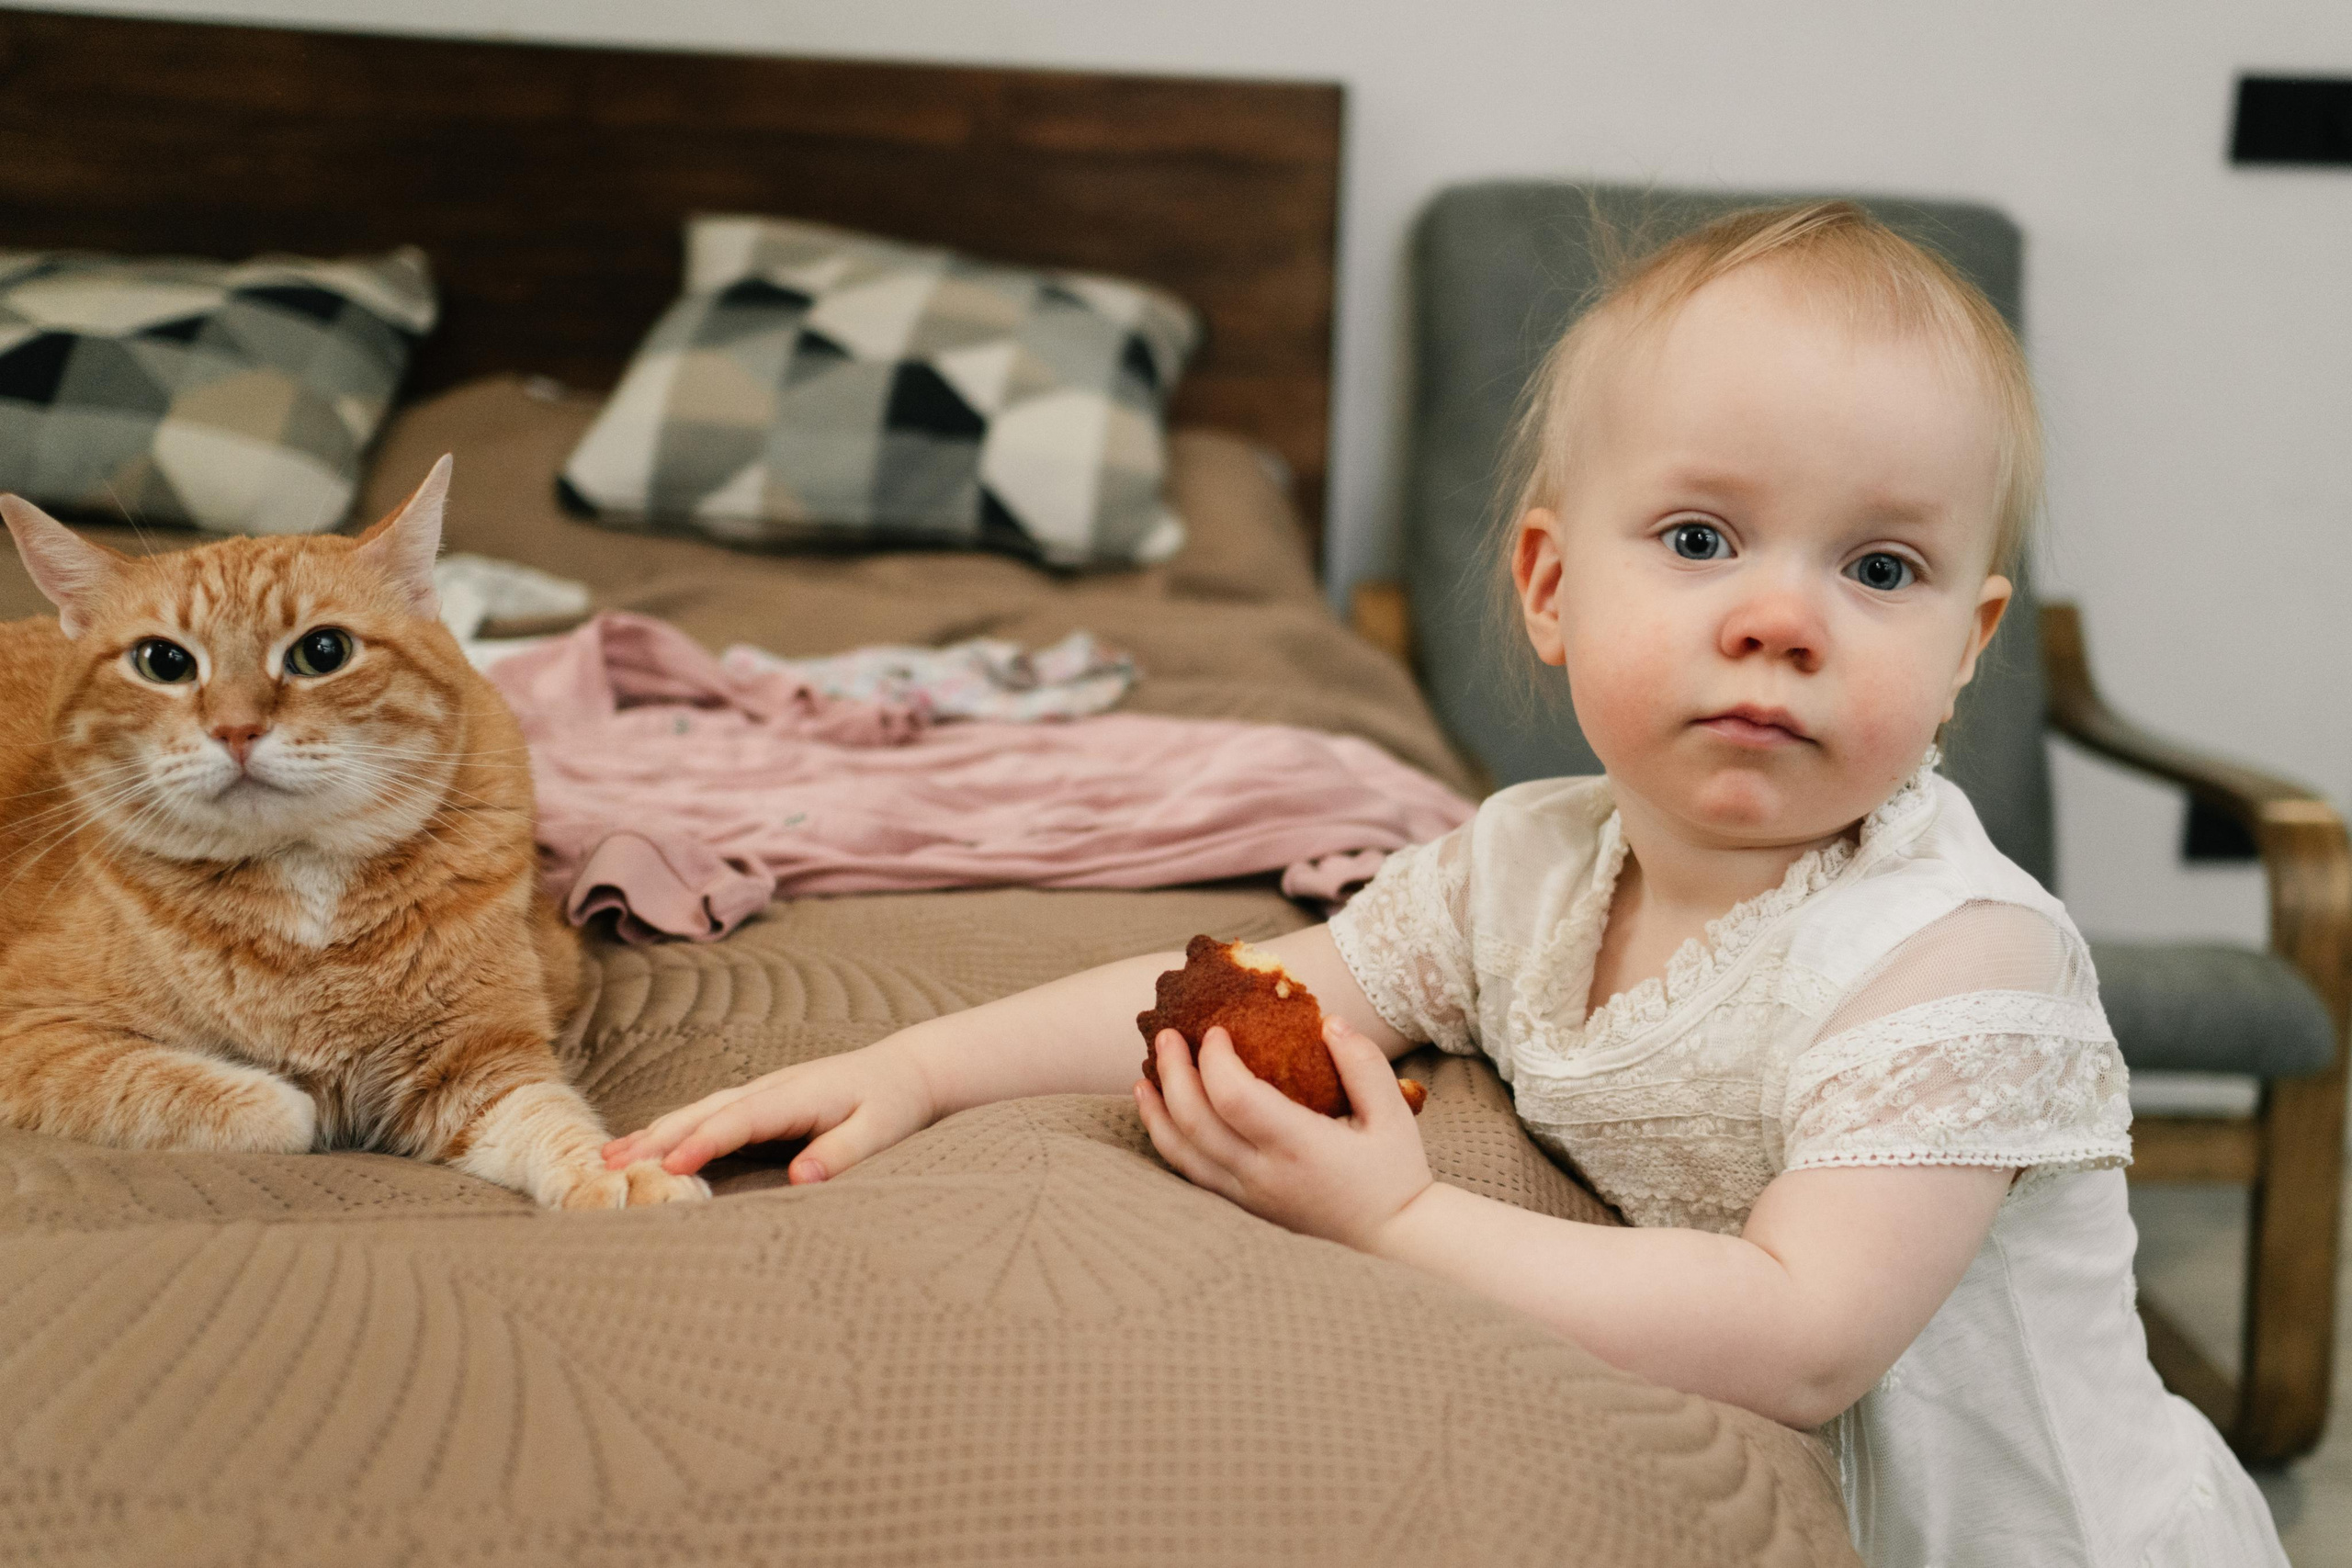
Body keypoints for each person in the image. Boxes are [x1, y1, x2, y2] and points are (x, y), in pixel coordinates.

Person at [604, 202, 2285, 1566]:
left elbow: (1804, 1338)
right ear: (1553, 585)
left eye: (1881, 567)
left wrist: (1399, 1216)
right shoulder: (1533, 862)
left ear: (1968, 647)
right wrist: (911, 1065)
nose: (1784, 617)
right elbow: (1276, 984)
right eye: (1701, 539)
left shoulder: (1956, 955)